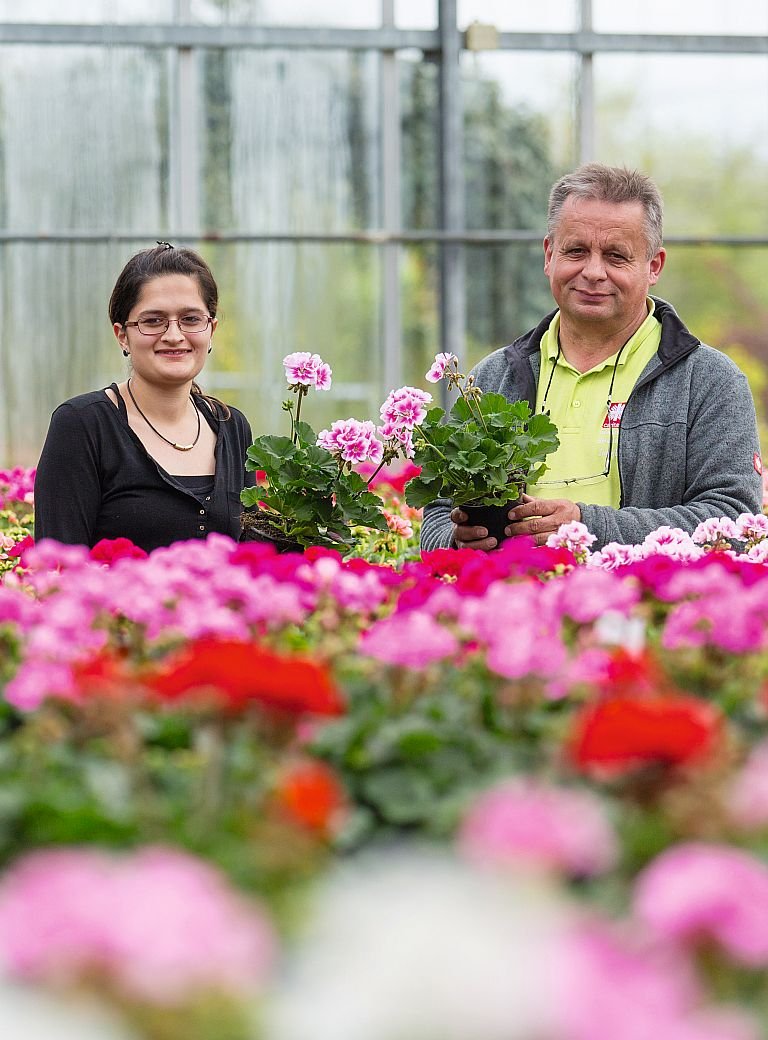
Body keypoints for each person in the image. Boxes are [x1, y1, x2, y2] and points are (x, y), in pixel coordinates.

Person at [420, 163, 763, 553]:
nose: (593, 272)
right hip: (509, 603)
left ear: (654, 266)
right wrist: (456, 539)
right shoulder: (493, 377)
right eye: (576, 251)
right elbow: (438, 511)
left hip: (644, 608)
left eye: (616, 256)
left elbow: (732, 521)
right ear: (549, 255)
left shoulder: (708, 381)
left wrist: (588, 525)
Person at [34, 243, 255, 553]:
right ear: (122, 334)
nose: (174, 335)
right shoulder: (83, 424)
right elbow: (56, 568)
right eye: (153, 321)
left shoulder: (232, 427)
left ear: (211, 329)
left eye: (191, 319)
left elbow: (251, 558)